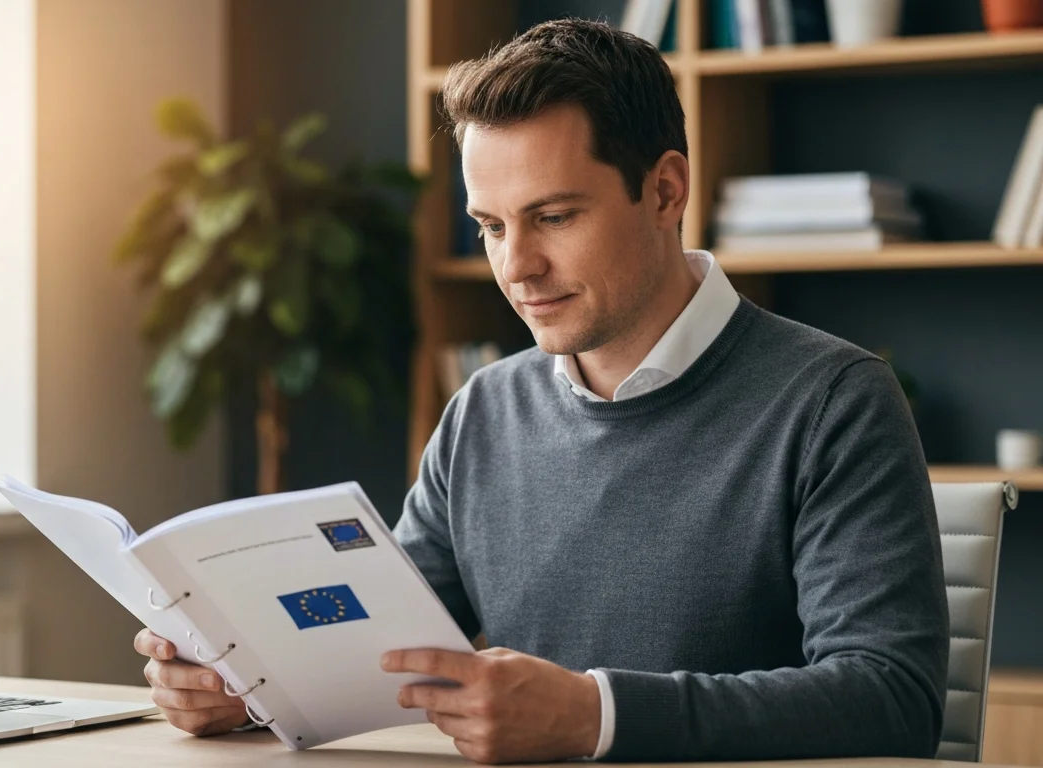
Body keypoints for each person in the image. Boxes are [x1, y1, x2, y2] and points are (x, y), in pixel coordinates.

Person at [134, 17, 948, 765]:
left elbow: (891, 698)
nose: (516, 267)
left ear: (665, 191)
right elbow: (384, 649)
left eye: (554, 217)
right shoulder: (483, 409)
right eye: (490, 226)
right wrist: (250, 686)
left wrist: (595, 715)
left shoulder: (835, 402)